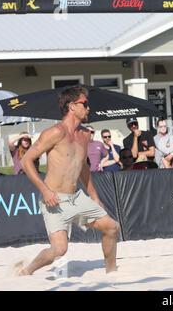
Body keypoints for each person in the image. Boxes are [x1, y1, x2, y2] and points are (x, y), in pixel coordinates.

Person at [16, 85, 119, 276]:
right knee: (59, 250)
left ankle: (112, 272)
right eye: (85, 104)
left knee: (112, 227)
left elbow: (84, 168)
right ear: (72, 106)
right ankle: (28, 270)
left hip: (76, 199)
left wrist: (94, 197)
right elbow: (25, 161)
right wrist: (45, 190)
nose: (89, 108)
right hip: (54, 199)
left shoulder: (85, 135)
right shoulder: (55, 132)